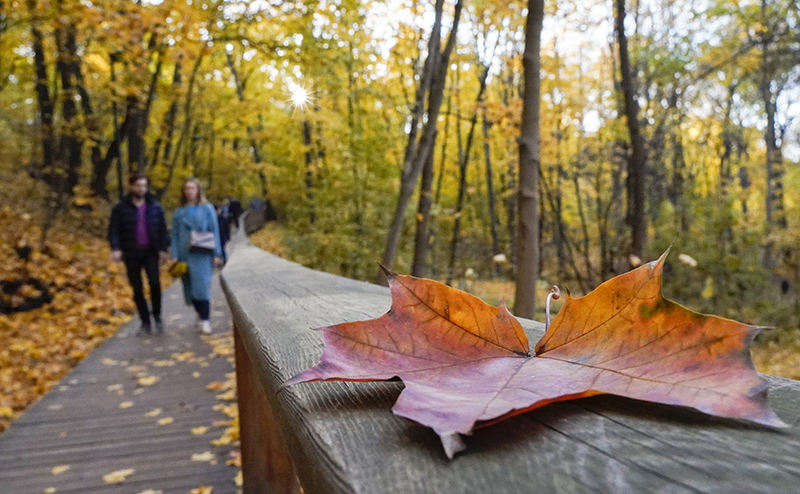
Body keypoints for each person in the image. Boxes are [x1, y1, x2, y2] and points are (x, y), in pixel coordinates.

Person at [108, 173, 170, 335]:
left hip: (151, 252)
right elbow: (113, 230)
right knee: (137, 288)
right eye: (138, 185)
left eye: (143, 186)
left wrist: (164, 249)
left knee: (155, 284)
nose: (141, 189)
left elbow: (163, 229)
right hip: (131, 253)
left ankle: (157, 315)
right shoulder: (121, 208)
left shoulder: (155, 207)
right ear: (131, 187)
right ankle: (145, 322)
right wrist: (116, 248)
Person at [171, 178, 222, 334]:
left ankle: (206, 320)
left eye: (193, 188)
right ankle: (200, 314)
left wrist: (217, 253)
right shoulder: (179, 212)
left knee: (202, 288)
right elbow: (174, 235)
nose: (190, 191)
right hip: (184, 253)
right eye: (187, 188)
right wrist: (174, 255)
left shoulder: (207, 209)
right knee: (190, 290)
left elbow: (215, 230)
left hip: (202, 253)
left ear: (198, 190)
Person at [215, 199, 231, 265]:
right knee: (218, 250)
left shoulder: (222, 219)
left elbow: (227, 228)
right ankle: (220, 261)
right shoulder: (214, 220)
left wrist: (227, 236)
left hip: (221, 237)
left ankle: (224, 260)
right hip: (216, 237)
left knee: (221, 249)